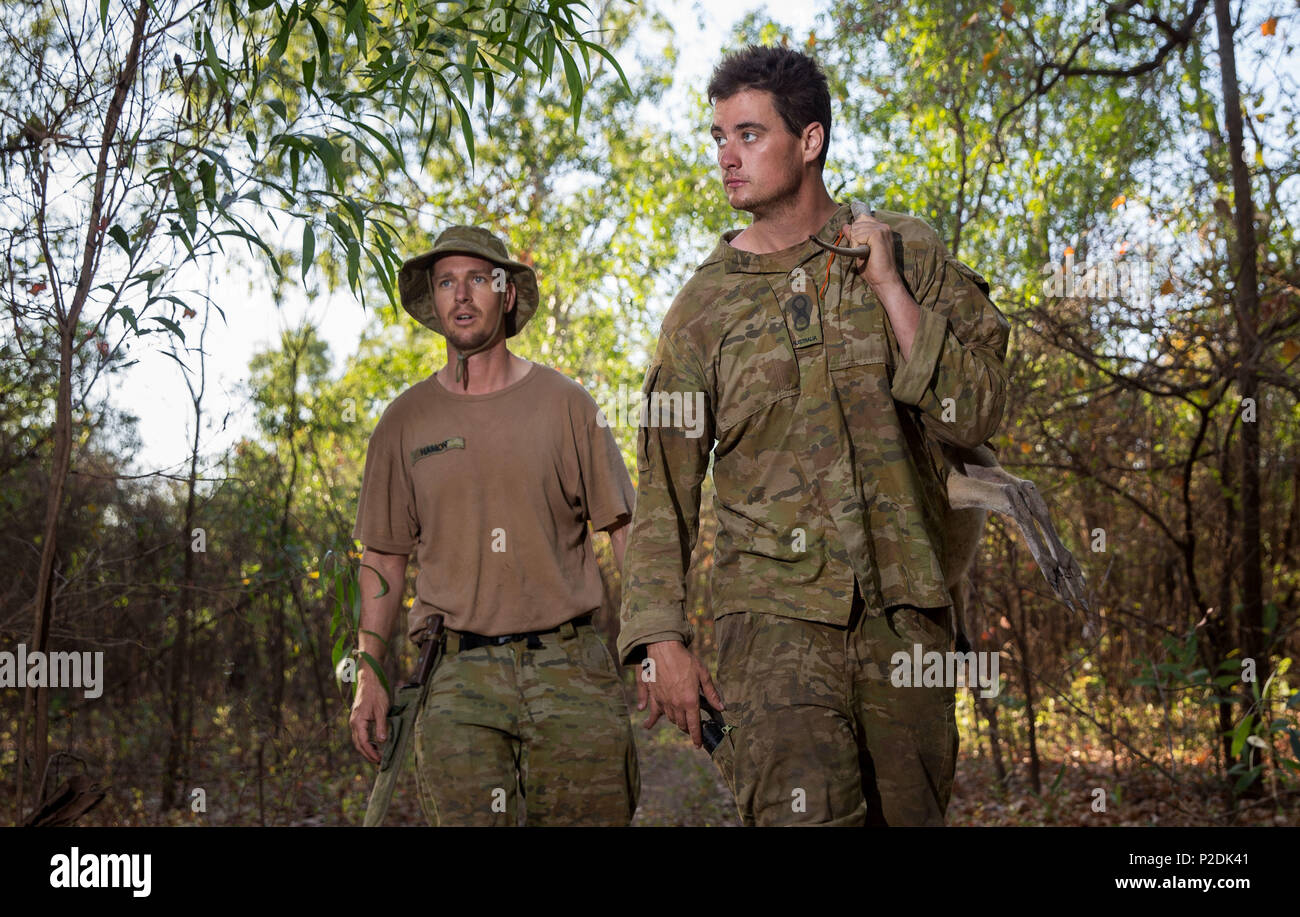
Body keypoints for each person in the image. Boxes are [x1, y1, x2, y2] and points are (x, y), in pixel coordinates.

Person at [617, 46, 1010, 826]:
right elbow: (665, 488)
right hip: (770, 627)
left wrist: (890, 286)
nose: (727, 156)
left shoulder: (909, 249)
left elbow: (977, 414)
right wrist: (659, 637)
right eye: (718, 137)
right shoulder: (701, 309)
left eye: (749, 135)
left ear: (810, 140)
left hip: (907, 613)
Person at [349, 225, 639, 826]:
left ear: (507, 294)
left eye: (478, 279)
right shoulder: (404, 421)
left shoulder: (566, 403)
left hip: (571, 668)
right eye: (447, 281)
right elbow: (383, 559)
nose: (462, 295)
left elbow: (626, 529)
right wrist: (370, 674)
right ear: (433, 300)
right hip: (455, 675)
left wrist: (654, 645)